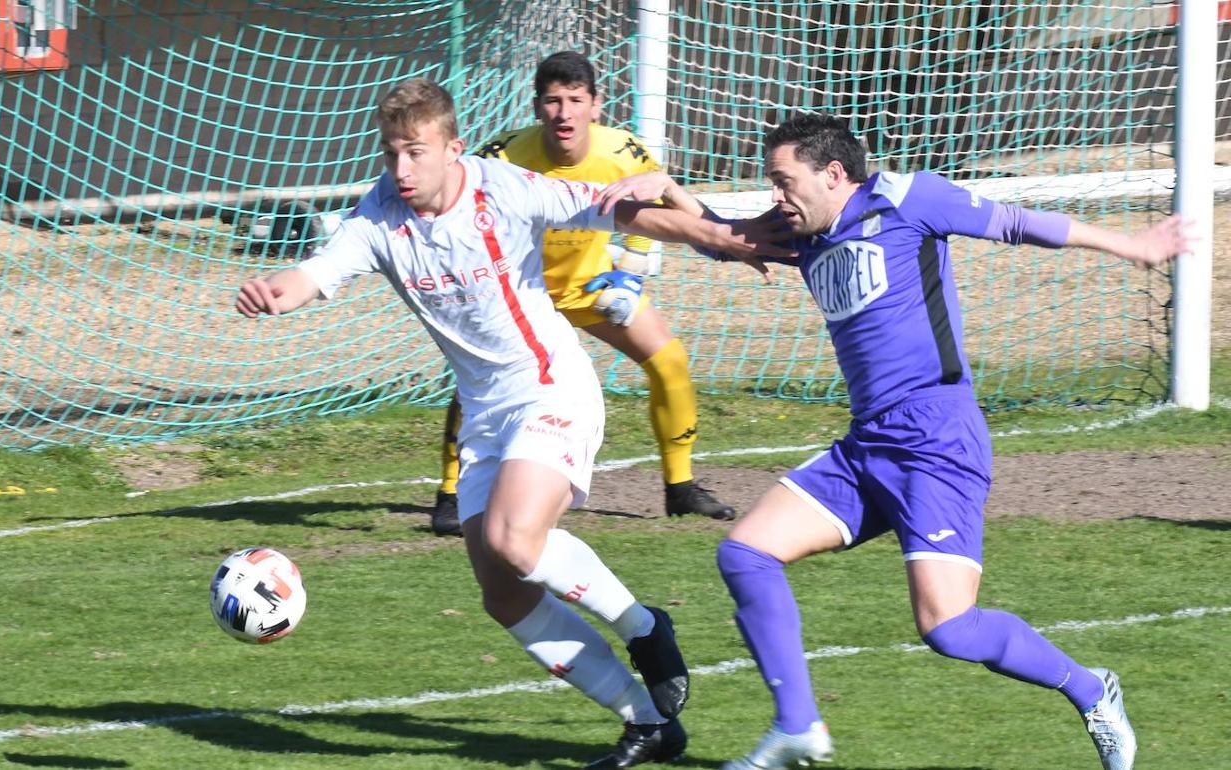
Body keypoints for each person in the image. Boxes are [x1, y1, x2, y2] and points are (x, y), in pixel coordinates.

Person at [597, 112, 1191, 770]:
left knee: (949, 629)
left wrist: (1132, 246)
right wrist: (666, 191)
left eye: (782, 180)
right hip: (867, 446)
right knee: (746, 555)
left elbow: (1018, 223)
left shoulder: (909, 199)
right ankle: (797, 727)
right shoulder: (803, 235)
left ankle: (1092, 688)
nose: (775, 196)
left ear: (832, 174)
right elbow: (722, 239)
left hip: (937, 442)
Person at [234, 78, 785, 769]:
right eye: (390, 154)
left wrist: (719, 234)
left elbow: (624, 213)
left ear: (451, 148)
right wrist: (273, 295)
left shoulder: (504, 187)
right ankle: (647, 724)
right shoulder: (379, 215)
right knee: (504, 594)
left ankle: (646, 628)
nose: (401, 169)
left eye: (415, 152)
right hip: (485, 414)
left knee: (516, 540)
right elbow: (316, 272)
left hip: (549, 385)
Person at [428, 50, 736, 538]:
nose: (564, 112)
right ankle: (449, 494)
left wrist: (630, 270)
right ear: (536, 107)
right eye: (553, 101)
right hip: (519, 298)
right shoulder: (500, 157)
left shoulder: (623, 152)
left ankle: (680, 487)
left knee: (669, 359)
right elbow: (456, 208)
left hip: (589, 288)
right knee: (478, 382)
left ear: (596, 104)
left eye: (575, 99)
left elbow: (655, 205)